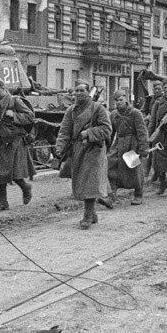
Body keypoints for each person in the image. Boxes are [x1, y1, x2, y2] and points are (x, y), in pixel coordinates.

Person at [55, 81, 112, 229]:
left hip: (94, 149)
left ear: (88, 93)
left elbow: (107, 129)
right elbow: (64, 131)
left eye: (82, 91)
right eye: (76, 91)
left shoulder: (98, 109)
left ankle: (87, 216)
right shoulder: (71, 111)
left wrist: (89, 133)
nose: (78, 94)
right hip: (78, 150)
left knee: (89, 182)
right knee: (82, 182)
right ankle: (92, 214)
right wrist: (60, 148)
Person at [0, 79, 35, 212]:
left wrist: (14, 115)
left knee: (14, 171)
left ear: (3, 88)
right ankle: (3, 202)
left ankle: (25, 187)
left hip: (14, 138)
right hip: (0, 138)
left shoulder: (15, 100)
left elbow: (30, 117)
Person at [100, 89, 149, 207]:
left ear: (126, 99)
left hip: (133, 144)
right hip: (119, 144)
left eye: (121, 100)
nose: (118, 103)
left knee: (135, 171)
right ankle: (112, 196)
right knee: (111, 167)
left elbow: (142, 131)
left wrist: (143, 148)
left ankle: (138, 195)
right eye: (116, 101)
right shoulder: (114, 114)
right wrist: (106, 147)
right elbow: (110, 133)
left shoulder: (135, 113)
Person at [145, 80, 164, 183]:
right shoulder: (151, 99)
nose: (157, 91)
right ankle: (147, 173)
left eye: (159, 89)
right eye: (155, 89)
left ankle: (157, 173)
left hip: (159, 127)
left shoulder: (163, 100)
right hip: (150, 126)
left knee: (157, 152)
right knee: (149, 150)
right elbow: (145, 110)